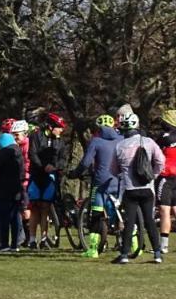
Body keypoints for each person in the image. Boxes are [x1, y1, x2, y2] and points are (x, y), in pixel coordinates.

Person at [110, 112, 164, 264]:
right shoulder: (148, 142)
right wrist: (153, 175)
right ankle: (158, 253)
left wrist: (123, 172)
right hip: (147, 188)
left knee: (130, 222)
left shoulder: (119, 145)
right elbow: (160, 160)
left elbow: (113, 170)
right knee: (149, 221)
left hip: (129, 188)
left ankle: (125, 254)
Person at [72, 114, 122, 258]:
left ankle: (93, 249)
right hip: (117, 181)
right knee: (120, 211)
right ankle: (134, 244)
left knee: (96, 213)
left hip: (100, 182)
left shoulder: (96, 141)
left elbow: (86, 162)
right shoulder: (121, 139)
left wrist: (75, 173)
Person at [26, 113, 68, 249]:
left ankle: (44, 239)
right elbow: (32, 154)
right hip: (37, 175)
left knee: (45, 208)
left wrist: (55, 167)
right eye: (59, 128)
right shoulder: (36, 136)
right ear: (51, 127)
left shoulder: (60, 141)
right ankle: (32, 239)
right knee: (35, 208)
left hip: (51, 177)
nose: (61, 130)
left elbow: (62, 158)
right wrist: (43, 167)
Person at [0, 131, 26, 252]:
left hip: (3, 189)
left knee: (4, 217)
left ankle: (4, 243)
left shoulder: (1, 154)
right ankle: (15, 244)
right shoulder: (18, 153)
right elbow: (22, 172)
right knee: (15, 217)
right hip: (16, 189)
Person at [154, 110, 176, 257]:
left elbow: (153, 152)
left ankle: (164, 246)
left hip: (166, 176)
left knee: (164, 210)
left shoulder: (164, 136)